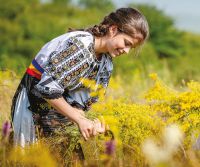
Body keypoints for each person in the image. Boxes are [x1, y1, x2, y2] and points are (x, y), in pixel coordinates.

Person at [11, 7, 149, 147]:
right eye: (126, 43)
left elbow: (79, 105)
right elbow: (47, 89)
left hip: (58, 114)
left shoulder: (106, 64)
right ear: (113, 29)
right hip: (32, 106)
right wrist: (80, 120)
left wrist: (92, 124)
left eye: (131, 48)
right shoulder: (80, 46)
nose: (126, 51)